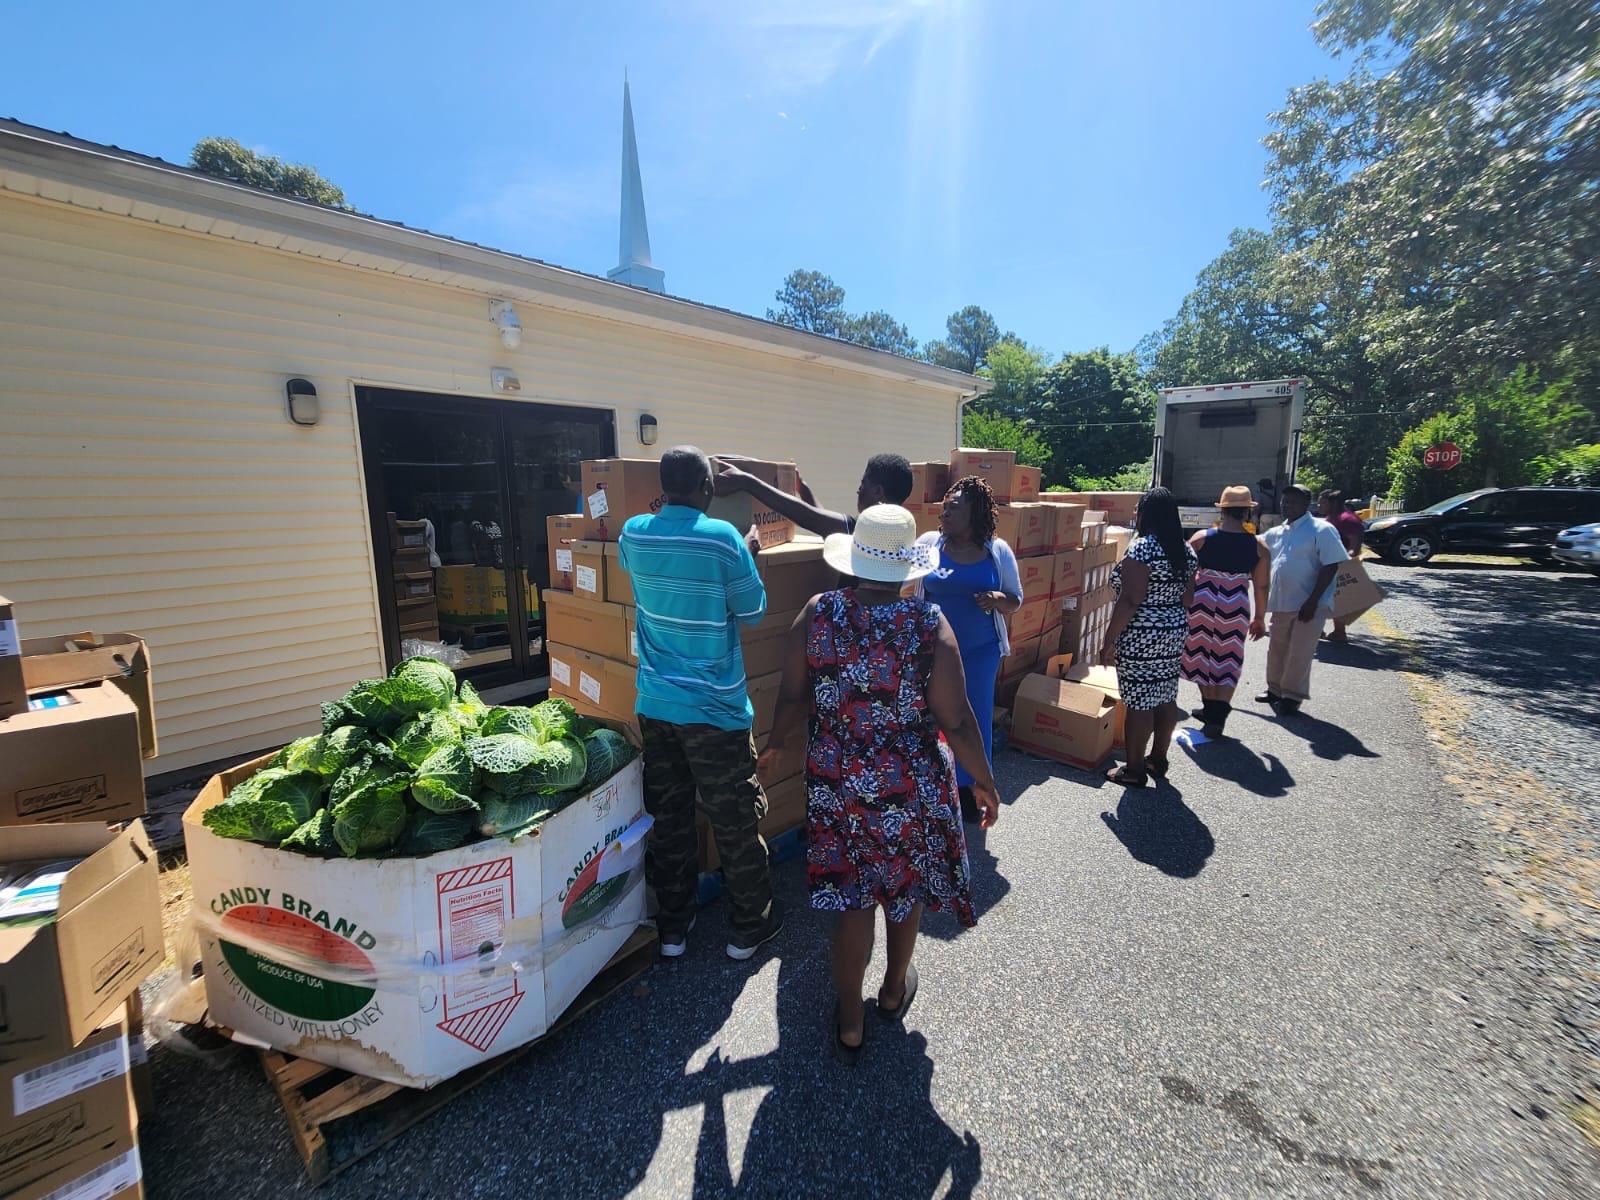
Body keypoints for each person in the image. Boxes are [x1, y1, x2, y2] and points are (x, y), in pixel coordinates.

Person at [760, 504, 1000, 1063]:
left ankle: (850, 1020)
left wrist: (773, 745)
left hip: (837, 783)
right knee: (903, 885)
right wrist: (984, 781)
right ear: (908, 568)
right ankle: (893, 990)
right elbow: (957, 719)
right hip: (910, 785)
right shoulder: (926, 623)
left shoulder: (819, 613)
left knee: (849, 900)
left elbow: (793, 694)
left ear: (857, 559)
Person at [617, 446, 783, 962]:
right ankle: (747, 929)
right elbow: (753, 612)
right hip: (715, 711)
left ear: (664, 488)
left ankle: (673, 928)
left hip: (657, 705)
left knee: (670, 820)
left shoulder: (633, 534)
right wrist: (749, 554)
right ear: (709, 490)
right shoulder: (725, 540)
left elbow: (640, 563)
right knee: (734, 821)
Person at [912, 476, 1022, 822]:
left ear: (975, 513)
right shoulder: (929, 543)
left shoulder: (996, 551)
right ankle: (933, 785)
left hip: (979, 650)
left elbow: (1015, 599)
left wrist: (997, 599)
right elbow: (899, 580)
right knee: (931, 717)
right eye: (944, 506)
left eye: (954, 506)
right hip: (932, 651)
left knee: (974, 717)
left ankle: (971, 789)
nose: (945, 512)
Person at [1099, 488, 1198, 785]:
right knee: (1166, 695)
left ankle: (1133, 769)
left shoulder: (1142, 548)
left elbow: (1130, 599)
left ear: (1146, 513)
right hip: (1173, 628)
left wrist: (1109, 639)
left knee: (1139, 701)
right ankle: (1158, 759)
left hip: (1142, 632)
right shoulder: (1185, 550)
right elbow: (1188, 598)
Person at [1180, 486, 1270, 738]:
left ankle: (1210, 708)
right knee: (1228, 656)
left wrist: (1184, 600)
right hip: (1235, 603)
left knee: (1200, 652)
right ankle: (1217, 713)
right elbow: (1262, 585)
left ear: (1222, 510)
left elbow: (1183, 573)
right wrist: (1260, 617)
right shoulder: (1259, 547)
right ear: (1247, 513)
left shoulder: (1201, 539)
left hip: (1202, 602)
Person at [1257, 484, 1350, 715]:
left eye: (1292, 501)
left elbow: (1331, 565)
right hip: (1282, 602)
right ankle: (1275, 689)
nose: (1286, 505)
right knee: (1277, 648)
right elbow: (1255, 545)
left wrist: (1313, 600)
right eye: (1284, 501)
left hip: (1309, 604)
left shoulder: (1321, 530)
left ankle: (1292, 695)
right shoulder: (1278, 531)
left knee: (1300, 651)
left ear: (1306, 504)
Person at [712, 453, 915, 538]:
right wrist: (803, 488)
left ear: (878, 491)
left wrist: (747, 482)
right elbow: (824, 519)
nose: (858, 490)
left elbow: (811, 518)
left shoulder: (869, 531)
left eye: (863, 484)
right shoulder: (899, 531)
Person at [1318, 490, 1365, 643]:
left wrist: (1345, 559)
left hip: (1338, 565)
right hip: (1326, 563)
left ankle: (1339, 632)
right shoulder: (1331, 518)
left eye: (1322, 502)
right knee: (1324, 597)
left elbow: (1355, 546)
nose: (1319, 505)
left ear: (1334, 503)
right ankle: (1318, 628)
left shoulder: (1347, 520)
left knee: (1336, 598)